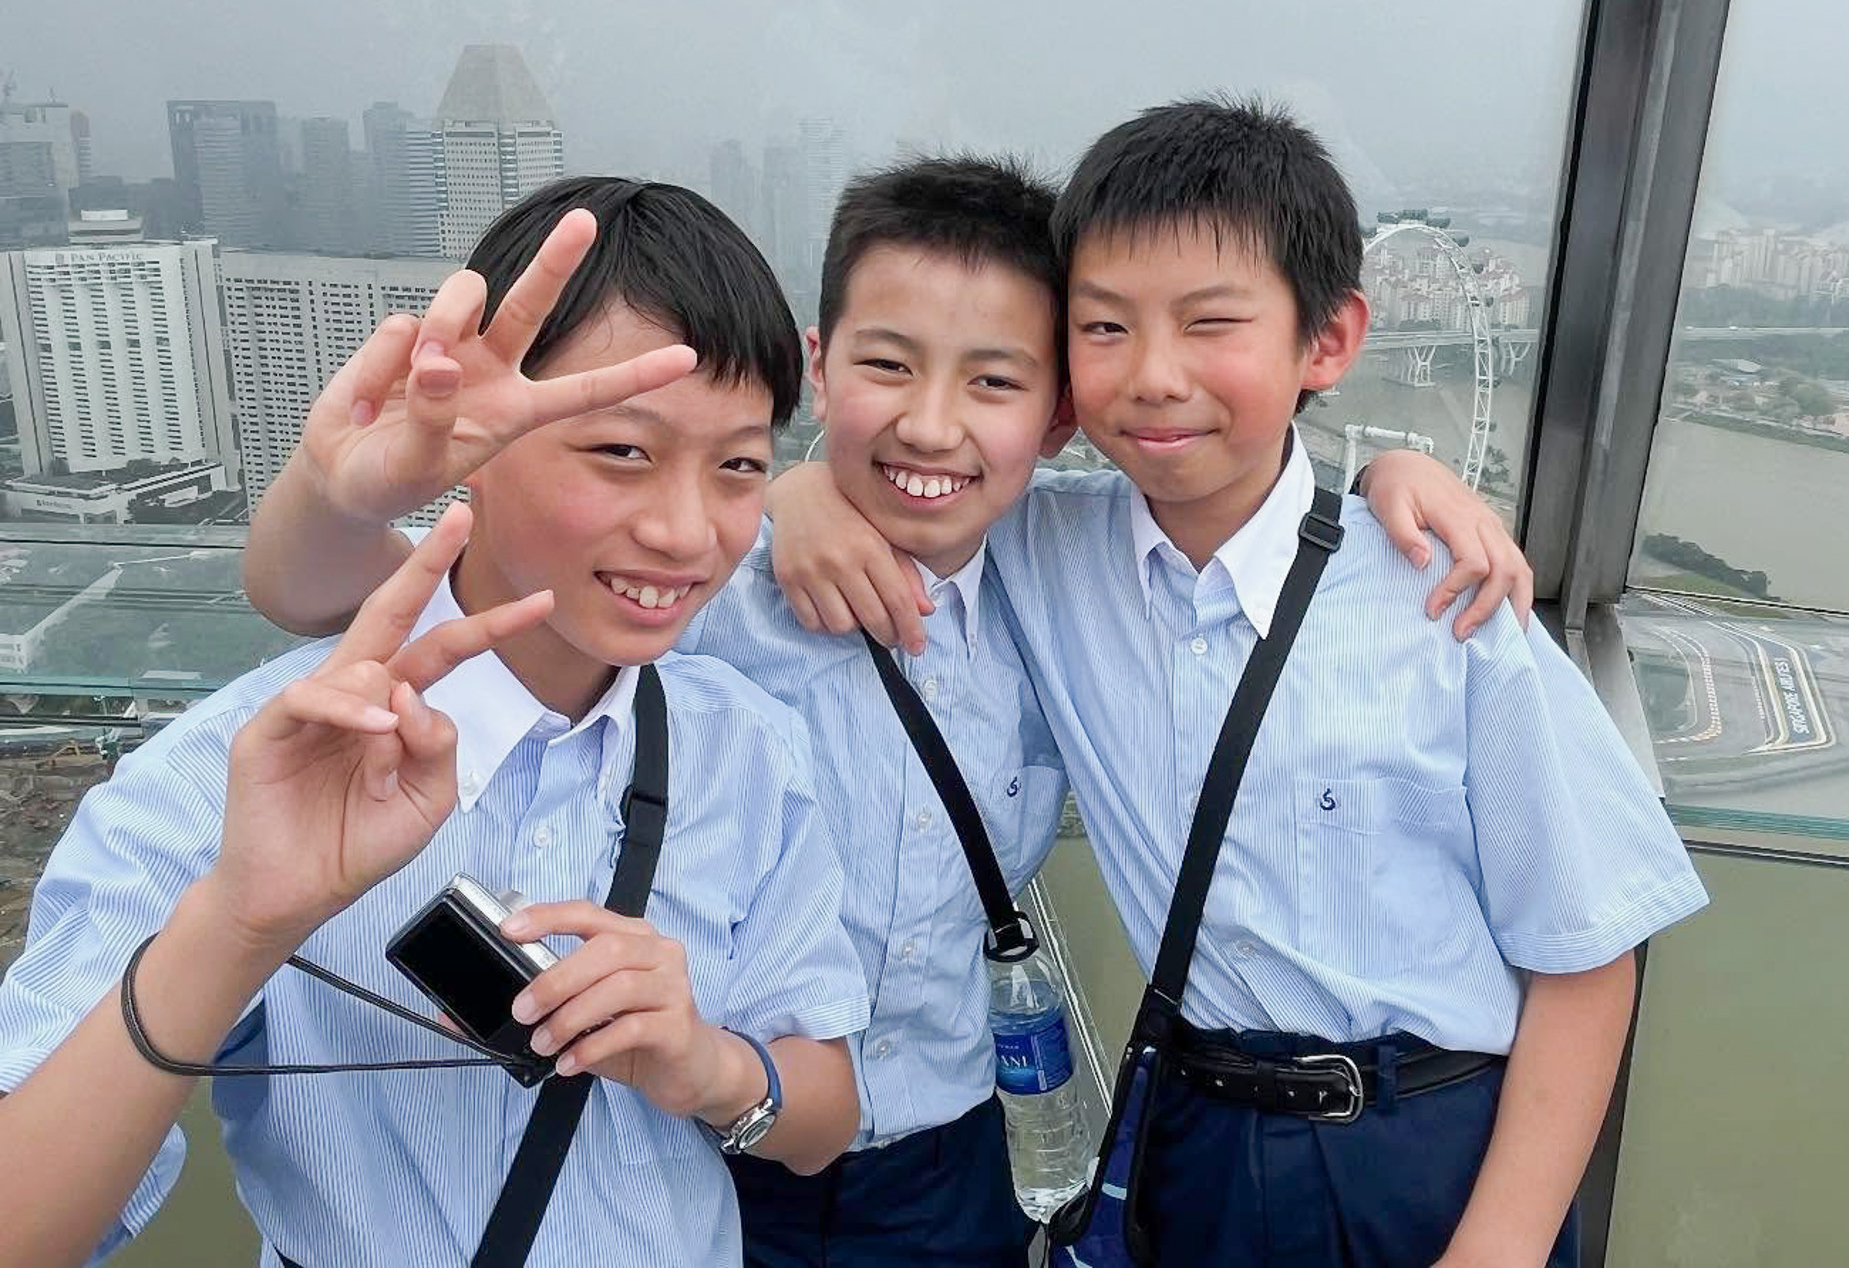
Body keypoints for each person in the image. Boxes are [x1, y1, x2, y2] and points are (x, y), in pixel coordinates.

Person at [240, 154, 1533, 1267]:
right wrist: (793, 491)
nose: (931, 424)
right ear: (817, 364)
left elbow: (1234, 513)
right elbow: (313, 592)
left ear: (1060, 415)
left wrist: (1387, 479)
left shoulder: (1064, 578)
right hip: (692, 1136)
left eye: (993, 382)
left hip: (946, 1146)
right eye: (886, 366)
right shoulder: (697, 574)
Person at [767, 98, 1709, 1267]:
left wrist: (1498, 1252)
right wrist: (789, 494)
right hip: (1189, 1139)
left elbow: (1585, 955)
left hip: (1423, 1149)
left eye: (1209, 324)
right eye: (1103, 330)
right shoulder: (1050, 556)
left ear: (1327, 341)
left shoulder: (1441, 598)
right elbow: (921, 474)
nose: (1154, 378)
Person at [0, 177, 870, 1268]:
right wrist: (238, 922)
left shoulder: (744, 747)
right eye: (621, 451)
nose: (687, 530)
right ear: (476, 442)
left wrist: (704, 1065)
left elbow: (825, 1113)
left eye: (739, 465)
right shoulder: (246, 767)